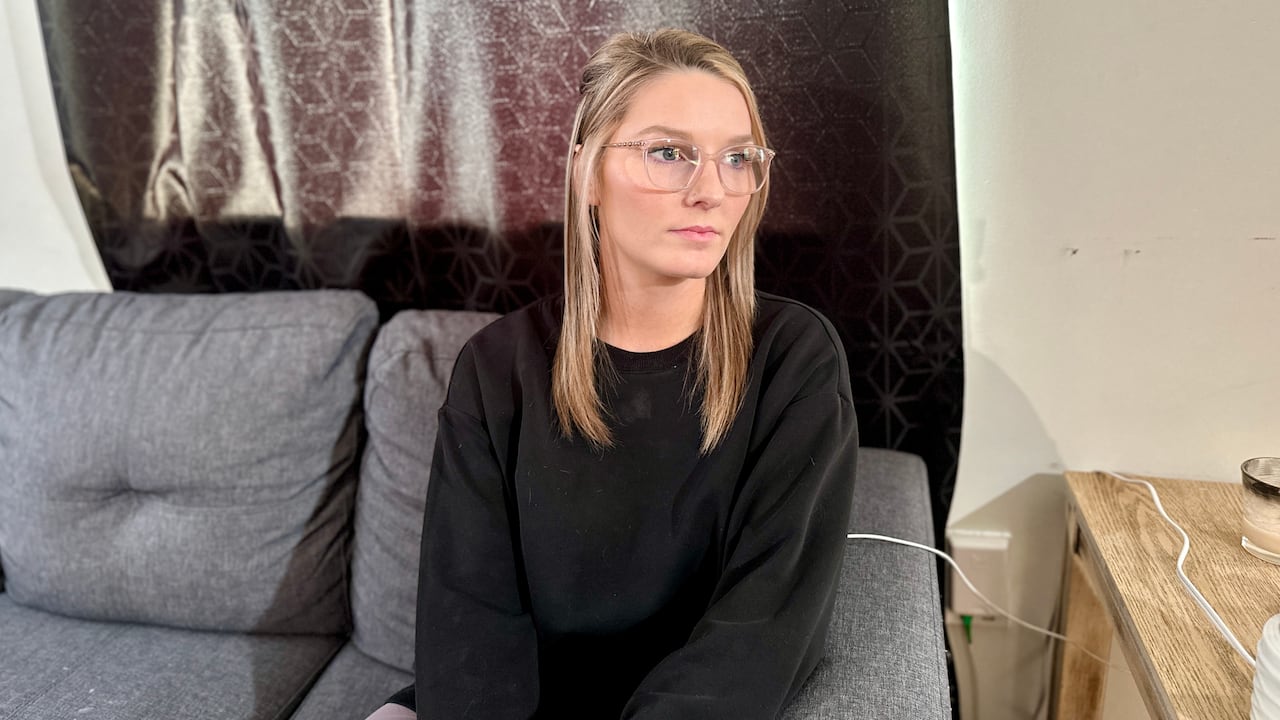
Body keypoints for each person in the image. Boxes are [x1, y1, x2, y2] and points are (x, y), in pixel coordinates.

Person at [366, 27, 857, 720]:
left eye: (738, 158)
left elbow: (763, 631)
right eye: (668, 152)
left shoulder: (792, 357)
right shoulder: (497, 367)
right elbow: (468, 624)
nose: (712, 189)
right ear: (588, 173)